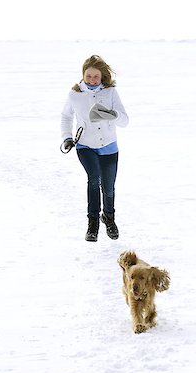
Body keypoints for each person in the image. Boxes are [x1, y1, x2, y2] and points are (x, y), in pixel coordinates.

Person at [61, 55, 129, 242]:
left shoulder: (111, 93)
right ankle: (93, 224)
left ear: (102, 77)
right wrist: (67, 137)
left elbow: (125, 121)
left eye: (95, 77)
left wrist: (110, 115)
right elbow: (66, 117)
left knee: (108, 188)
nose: (91, 80)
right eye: (88, 76)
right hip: (85, 145)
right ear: (83, 75)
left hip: (109, 146)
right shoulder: (74, 95)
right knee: (94, 178)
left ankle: (109, 217)